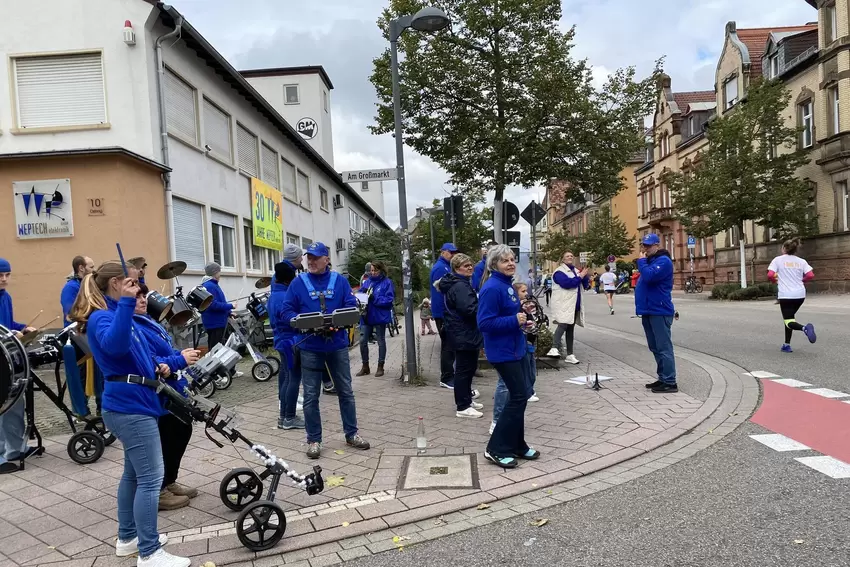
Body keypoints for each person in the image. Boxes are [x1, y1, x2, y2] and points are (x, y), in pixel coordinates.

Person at [69, 261, 189, 567]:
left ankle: (128, 539)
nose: (139, 288)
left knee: (134, 476)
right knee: (151, 480)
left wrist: (164, 364)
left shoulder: (116, 314)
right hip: (129, 408)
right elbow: (118, 347)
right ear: (116, 285)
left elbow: (138, 355)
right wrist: (124, 304)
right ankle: (149, 552)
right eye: (133, 283)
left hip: (135, 403)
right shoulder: (103, 318)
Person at [282, 242, 370, 459]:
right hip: (310, 346)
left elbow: (351, 305)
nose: (311, 261)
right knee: (311, 396)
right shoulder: (298, 283)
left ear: (327, 259)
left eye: (316, 257)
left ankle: (352, 434)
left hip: (337, 345)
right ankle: (313, 440)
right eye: (308, 257)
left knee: (346, 392)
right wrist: (298, 322)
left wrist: (342, 320)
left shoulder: (339, 281)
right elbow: (286, 311)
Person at [133, 284, 201, 511]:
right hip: (157, 393)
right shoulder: (134, 328)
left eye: (144, 296)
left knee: (182, 430)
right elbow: (151, 363)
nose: (143, 300)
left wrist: (180, 357)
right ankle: (159, 489)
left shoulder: (148, 321)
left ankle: (169, 480)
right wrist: (178, 360)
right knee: (168, 437)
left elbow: (166, 351)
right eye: (136, 297)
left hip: (172, 386)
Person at [477, 245, 538, 469]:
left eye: (512, 259)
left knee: (520, 397)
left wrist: (523, 318)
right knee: (518, 397)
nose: (511, 263)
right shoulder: (492, 288)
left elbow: (509, 315)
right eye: (505, 261)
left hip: (516, 348)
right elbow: (484, 323)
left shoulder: (507, 286)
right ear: (494, 265)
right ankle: (495, 448)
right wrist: (515, 321)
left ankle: (517, 444)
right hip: (503, 353)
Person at [0, 258, 38, 475]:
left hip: (7, 360)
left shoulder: (6, 297)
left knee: (14, 401)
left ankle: (15, 449)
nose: (4, 279)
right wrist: (9, 334)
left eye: (7, 275)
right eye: (0, 276)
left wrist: (24, 328)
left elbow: (9, 324)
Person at [438, 254, 485, 419]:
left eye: (471, 264)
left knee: (468, 367)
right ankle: (463, 406)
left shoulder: (461, 283)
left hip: (463, 331)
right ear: (457, 268)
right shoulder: (460, 286)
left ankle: (467, 399)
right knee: (464, 369)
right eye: (466, 266)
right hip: (463, 332)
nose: (470, 267)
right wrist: (483, 308)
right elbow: (469, 310)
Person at [635, 234, 678, 394]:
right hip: (649, 310)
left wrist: (641, 262)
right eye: (644, 245)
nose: (645, 248)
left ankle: (670, 381)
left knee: (663, 347)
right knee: (655, 347)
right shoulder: (651, 261)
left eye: (648, 245)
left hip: (659, 310)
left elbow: (649, 276)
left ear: (657, 245)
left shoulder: (663, 261)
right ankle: (662, 378)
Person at [268, 261, 305, 430]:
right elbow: (292, 319)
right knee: (293, 379)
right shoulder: (285, 297)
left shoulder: (274, 294)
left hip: (280, 341)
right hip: (290, 341)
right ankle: (289, 417)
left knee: (286, 379)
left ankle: (283, 417)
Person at [767, 237, 816, 353]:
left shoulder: (777, 260)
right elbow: (810, 275)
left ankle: (805, 328)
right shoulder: (801, 261)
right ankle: (786, 344)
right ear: (795, 250)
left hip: (786, 295)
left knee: (788, 321)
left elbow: (770, 275)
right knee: (789, 318)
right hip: (800, 295)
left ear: (784, 248)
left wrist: (775, 281)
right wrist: (802, 281)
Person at [546, 251, 589, 364]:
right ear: (563, 259)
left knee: (570, 328)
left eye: (571, 256)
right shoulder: (559, 272)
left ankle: (570, 354)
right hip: (563, 304)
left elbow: (584, 285)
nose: (570, 257)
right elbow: (567, 283)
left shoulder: (575, 270)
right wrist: (580, 276)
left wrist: (584, 276)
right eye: (567, 256)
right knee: (563, 324)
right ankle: (554, 347)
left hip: (574, 304)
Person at [357, 261, 394, 378]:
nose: (373, 273)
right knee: (362, 341)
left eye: (375, 270)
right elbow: (360, 293)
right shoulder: (367, 282)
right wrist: (360, 295)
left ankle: (380, 366)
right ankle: (365, 365)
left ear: (381, 270)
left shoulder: (387, 283)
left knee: (380, 340)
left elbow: (389, 300)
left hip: (379, 315)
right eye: (371, 270)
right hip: (367, 315)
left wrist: (375, 298)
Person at [430, 243, 458, 389]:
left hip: (444, 311)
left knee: (450, 344)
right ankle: (446, 377)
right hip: (443, 312)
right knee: (448, 345)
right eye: (450, 252)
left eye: (454, 253)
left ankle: (450, 375)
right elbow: (441, 291)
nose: (453, 255)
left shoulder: (445, 266)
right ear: (443, 252)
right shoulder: (441, 268)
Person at [201, 262, 235, 351]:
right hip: (215, 323)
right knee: (216, 351)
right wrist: (230, 306)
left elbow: (219, 301)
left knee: (223, 349)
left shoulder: (212, 284)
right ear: (215, 273)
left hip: (218, 322)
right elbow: (213, 305)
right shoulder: (209, 286)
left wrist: (229, 313)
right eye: (219, 272)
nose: (220, 274)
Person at [61, 255, 95, 327]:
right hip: (76, 331)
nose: (94, 270)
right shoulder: (70, 287)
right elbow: (72, 314)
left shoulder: (87, 285)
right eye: (91, 267)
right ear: (81, 268)